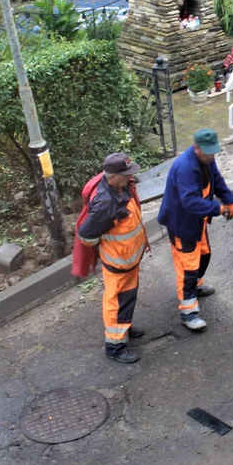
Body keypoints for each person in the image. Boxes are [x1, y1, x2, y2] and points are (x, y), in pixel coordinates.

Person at [158, 128, 233, 332]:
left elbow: (216, 180)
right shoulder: (185, 168)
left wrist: (229, 199)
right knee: (187, 269)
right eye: (208, 152)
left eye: (213, 152)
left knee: (204, 255)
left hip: (197, 221)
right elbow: (190, 202)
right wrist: (219, 208)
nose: (212, 156)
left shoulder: (207, 160)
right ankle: (188, 313)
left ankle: (196, 286)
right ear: (196, 148)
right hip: (182, 224)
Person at [75, 153, 148, 364]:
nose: (130, 177)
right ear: (113, 176)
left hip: (127, 260)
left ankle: (124, 327)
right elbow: (86, 237)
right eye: (126, 174)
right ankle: (115, 346)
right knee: (117, 301)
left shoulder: (120, 187)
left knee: (127, 298)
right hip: (118, 263)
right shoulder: (105, 203)